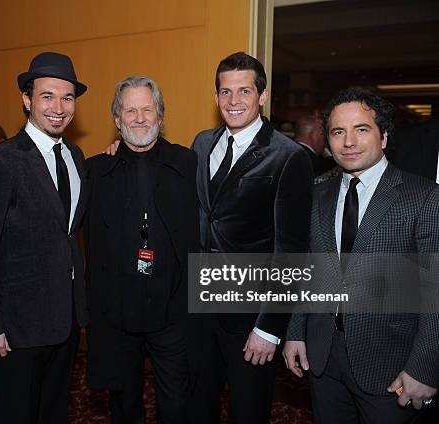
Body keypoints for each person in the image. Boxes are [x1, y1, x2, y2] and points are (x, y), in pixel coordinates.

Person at [283, 88, 439, 423]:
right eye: (338, 132)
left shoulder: (424, 197)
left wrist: (424, 367)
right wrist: (296, 331)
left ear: (383, 137)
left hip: (390, 363)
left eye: (361, 129)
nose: (348, 141)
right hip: (323, 358)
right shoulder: (317, 193)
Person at [188, 52, 313, 423]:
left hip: (250, 317)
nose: (233, 101)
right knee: (196, 406)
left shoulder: (288, 156)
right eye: (225, 92)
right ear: (216, 97)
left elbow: (292, 250)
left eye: (244, 91)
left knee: (249, 411)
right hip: (198, 309)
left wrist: (269, 328)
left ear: (262, 96)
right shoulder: (201, 143)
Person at [0, 51, 88, 424]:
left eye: (67, 97)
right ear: (26, 99)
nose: (58, 107)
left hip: (65, 322)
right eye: (47, 95)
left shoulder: (76, 157)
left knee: (54, 413)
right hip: (16, 328)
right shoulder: (1, 161)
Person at [84, 76, 199, 423]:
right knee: (123, 405)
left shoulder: (188, 165)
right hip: (117, 314)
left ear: (161, 116)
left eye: (147, 109)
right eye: (129, 110)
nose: (139, 118)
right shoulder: (94, 171)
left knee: (177, 404)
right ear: (117, 120)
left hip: (173, 312)